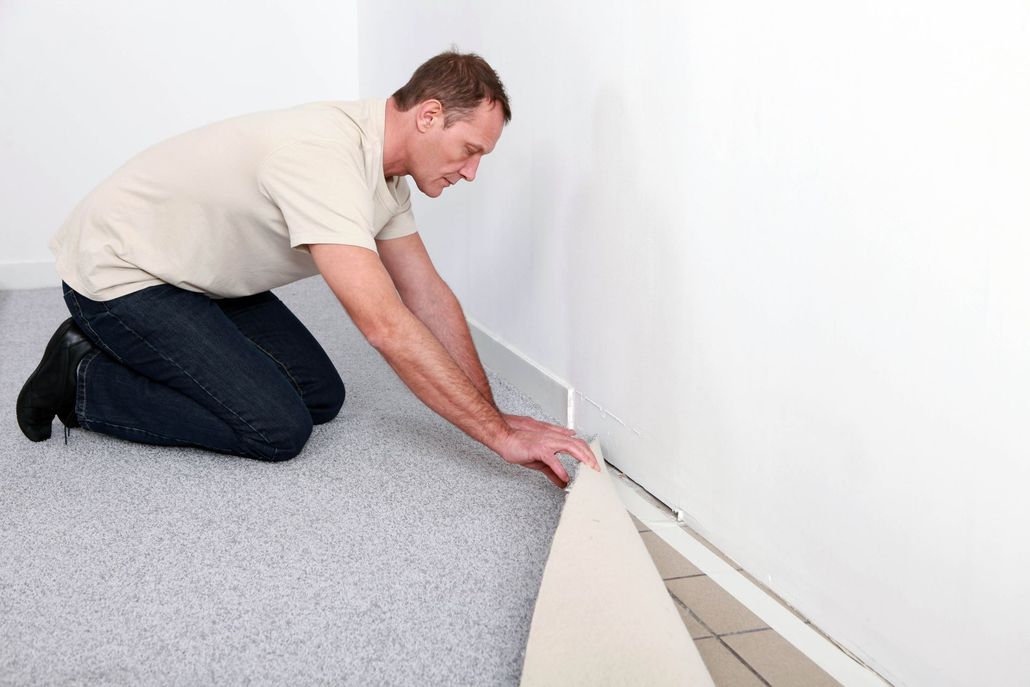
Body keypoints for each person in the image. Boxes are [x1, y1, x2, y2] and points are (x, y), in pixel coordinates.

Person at [16, 50, 598, 488]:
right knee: (275, 430)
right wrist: (496, 438)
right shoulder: (325, 158)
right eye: (470, 150)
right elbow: (385, 325)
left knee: (319, 396)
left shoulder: (386, 174)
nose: (471, 172)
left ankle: (145, 352)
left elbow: (426, 297)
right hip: (122, 272)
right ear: (429, 116)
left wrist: (495, 412)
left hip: (198, 276)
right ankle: (81, 375)